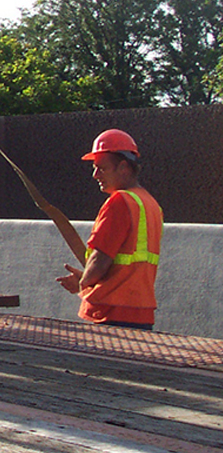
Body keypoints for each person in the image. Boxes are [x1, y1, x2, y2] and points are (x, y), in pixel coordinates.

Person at [56, 129, 163, 330]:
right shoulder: (151, 204)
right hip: (141, 312)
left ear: (123, 167)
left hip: (110, 311)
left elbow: (101, 259)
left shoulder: (120, 202)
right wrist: (87, 277)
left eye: (101, 168)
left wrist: (83, 283)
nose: (95, 175)